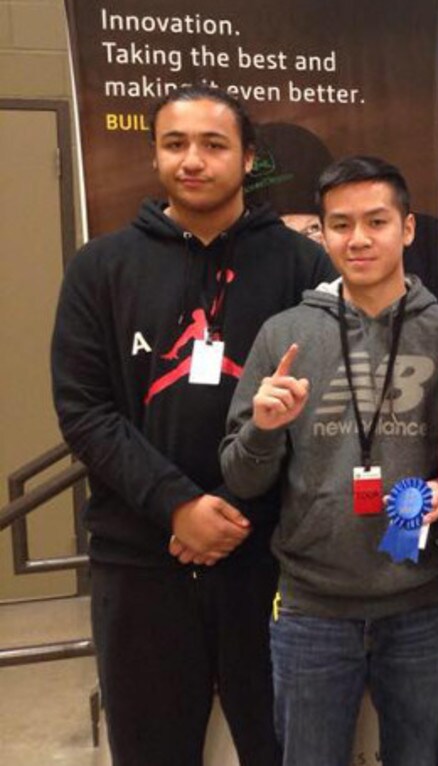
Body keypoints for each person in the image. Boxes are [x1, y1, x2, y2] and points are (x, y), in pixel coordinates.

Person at [49, 85, 332, 766]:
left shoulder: (303, 266)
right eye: (175, 144)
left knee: (283, 747)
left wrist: (234, 511)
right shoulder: (101, 268)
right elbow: (84, 410)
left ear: (248, 157)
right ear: (155, 156)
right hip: (141, 557)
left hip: (268, 556)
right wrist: (177, 505)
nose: (192, 160)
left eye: (213, 144)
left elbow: (327, 405)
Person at [219, 156, 438, 765]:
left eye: (376, 221)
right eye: (340, 225)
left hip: (421, 604)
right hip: (312, 608)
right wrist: (263, 429)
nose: (358, 239)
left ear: (408, 229)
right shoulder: (284, 337)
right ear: (322, 233)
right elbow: (240, 476)